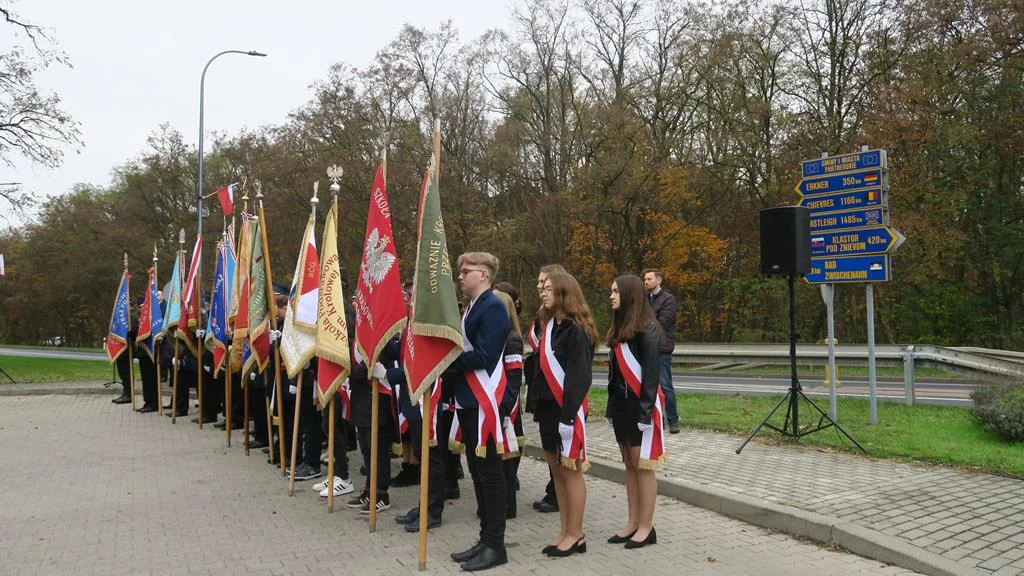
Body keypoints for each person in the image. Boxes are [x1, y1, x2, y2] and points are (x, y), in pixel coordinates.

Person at [448, 252, 512, 572]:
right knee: (477, 471)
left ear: (484, 275)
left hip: (483, 399)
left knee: (490, 473)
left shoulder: (494, 308)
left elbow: (485, 356)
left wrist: (446, 362)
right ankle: (485, 538)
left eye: (466, 271)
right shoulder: (473, 307)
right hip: (467, 398)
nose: (460, 276)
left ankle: (496, 545)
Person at [533, 271, 597, 559]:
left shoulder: (576, 330)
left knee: (570, 473)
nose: (543, 292)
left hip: (565, 412)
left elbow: (579, 378)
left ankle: (576, 534)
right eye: (542, 288)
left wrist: (569, 419)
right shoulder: (550, 327)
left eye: (548, 288)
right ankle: (564, 531)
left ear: (563, 293)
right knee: (556, 472)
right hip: (546, 408)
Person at [606, 274, 664, 549]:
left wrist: (644, 414)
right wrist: (610, 407)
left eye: (616, 292)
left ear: (629, 295)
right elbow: (614, 375)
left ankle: (646, 526)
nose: (612, 296)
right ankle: (632, 522)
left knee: (643, 467)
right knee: (629, 465)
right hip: (621, 405)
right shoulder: (619, 330)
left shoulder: (648, 329)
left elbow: (651, 377)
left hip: (641, 407)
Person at [525, 265, 565, 514]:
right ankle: (555, 490)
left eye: (545, 283)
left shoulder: (563, 319)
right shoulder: (543, 313)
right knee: (550, 448)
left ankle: (559, 493)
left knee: (560, 451)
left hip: (556, 392)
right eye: (539, 282)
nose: (539, 287)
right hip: (542, 391)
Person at [492, 285, 524, 519]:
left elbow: (513, 379)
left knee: (507, 462)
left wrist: (504, 411)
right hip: (496, 407)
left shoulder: (511, 339)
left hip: (507, 410)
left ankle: (507, 507)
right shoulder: (497, 336)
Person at [643, 269, 679, 434]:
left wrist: (645, 325)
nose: (646, 282)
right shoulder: (644, 300)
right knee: (649, 386)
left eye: (649, 279)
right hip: (645, 348)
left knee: (665, 386)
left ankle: (673, 421)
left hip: (662, 348)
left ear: (658, 280)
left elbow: (664, 321)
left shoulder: (668, 299)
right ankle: (658, 420)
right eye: (645, 279)